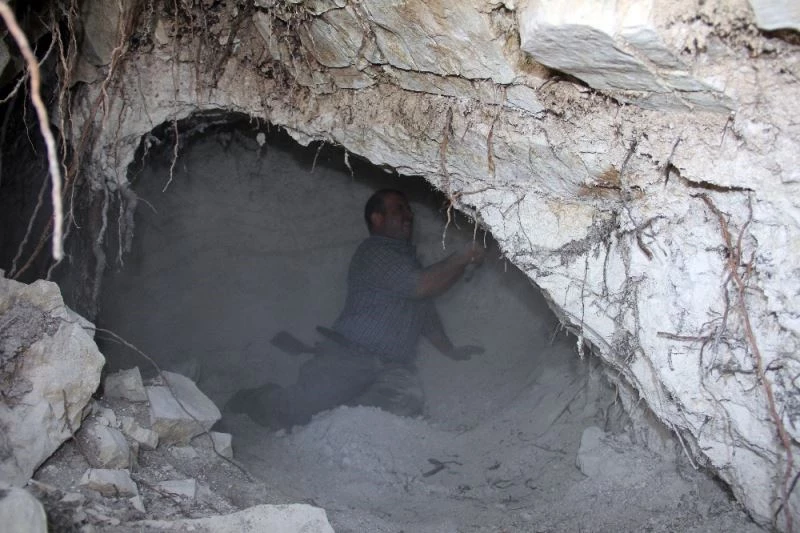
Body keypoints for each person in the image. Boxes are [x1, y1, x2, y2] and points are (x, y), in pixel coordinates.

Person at [226, 189, 485, 428]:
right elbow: (422, 287)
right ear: (377, 218)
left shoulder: (408, 261)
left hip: (393, 366)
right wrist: (461, 257)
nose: (408, 215)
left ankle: (337, 414)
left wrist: (450, 350)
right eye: (399, 210)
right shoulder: (375, 253)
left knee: (400, 406)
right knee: (292, 411)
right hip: (348, 357)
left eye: (408, 209)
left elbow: (424, 313)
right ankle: (253, 399)